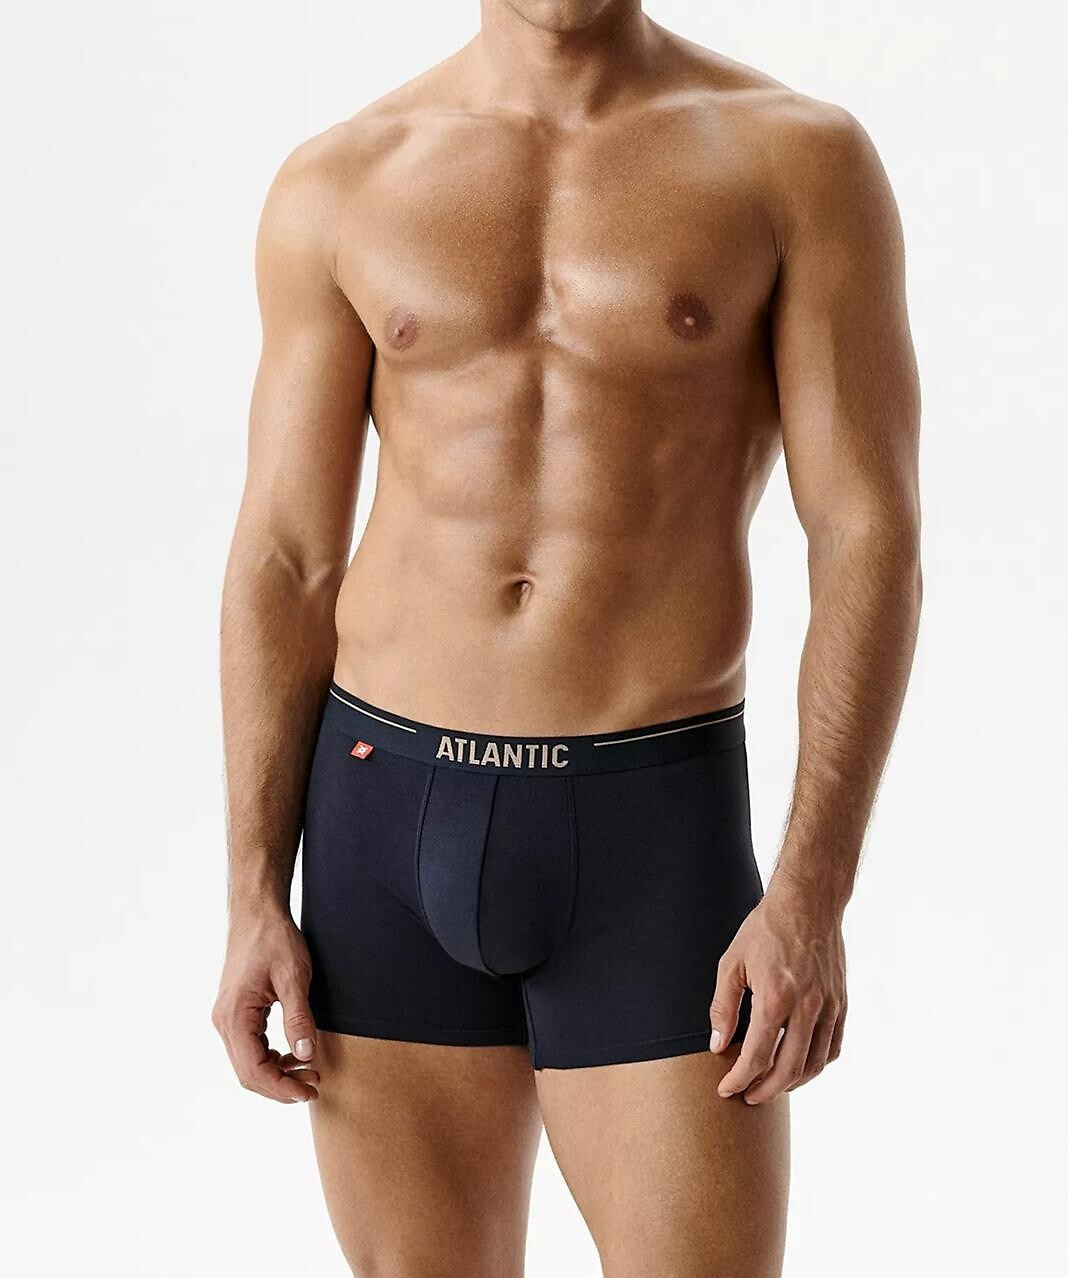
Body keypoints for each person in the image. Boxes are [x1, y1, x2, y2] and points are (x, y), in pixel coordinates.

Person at [211, 2, 921, 1273]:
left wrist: (813, 891)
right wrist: (254, 886)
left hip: (650, 832)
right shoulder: (343, 181)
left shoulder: (792, 159)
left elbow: (866, 532)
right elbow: (285, 557)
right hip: (384, 823)